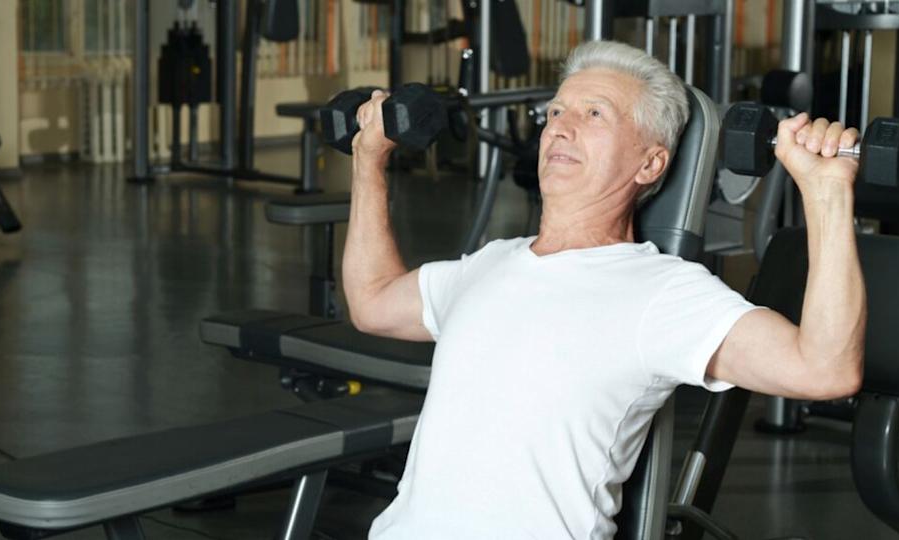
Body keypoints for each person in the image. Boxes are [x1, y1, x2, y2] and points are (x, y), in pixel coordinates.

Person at [343, 40, 866, 539]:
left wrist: (827, 195)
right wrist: (368, 159)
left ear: (650, 163)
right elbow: (373, 302)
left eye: (594, 114)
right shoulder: (490, 262)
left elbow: (825, 369)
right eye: (556, 112)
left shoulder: (660, 292)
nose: (560, 128)